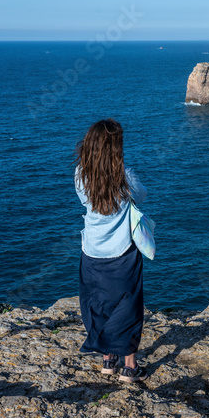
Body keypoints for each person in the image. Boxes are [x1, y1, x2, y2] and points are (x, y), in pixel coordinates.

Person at [74, 118, 148, 383]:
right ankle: (130, 367)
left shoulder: (81, 174)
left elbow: (85, 199)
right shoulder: (124, 177)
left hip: (92, 251)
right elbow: (141, 195)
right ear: (115, 148)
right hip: (122, 252)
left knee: (99, 304)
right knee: (128, 305)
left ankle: (107, 360)